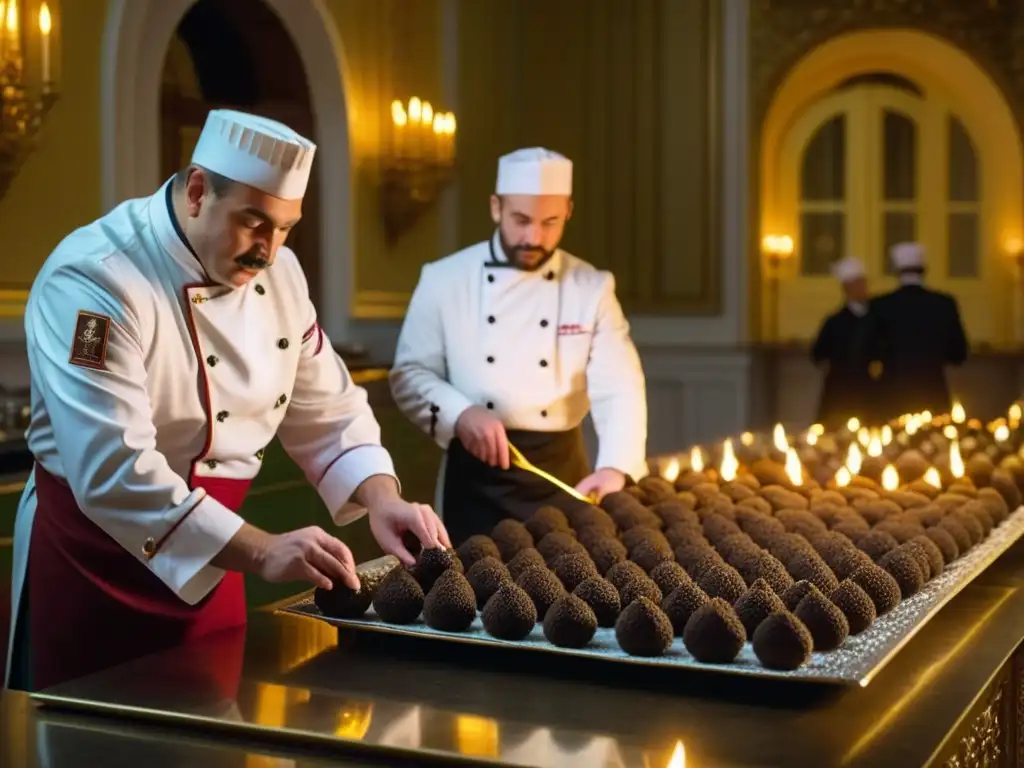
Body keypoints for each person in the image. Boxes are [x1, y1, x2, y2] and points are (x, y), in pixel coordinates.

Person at [4, 109, 448, 692]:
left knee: (217, 731)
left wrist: (382, 497)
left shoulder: (282, 275)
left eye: (285, 227)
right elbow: (111, 469)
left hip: (215, 558)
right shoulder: (94, 281)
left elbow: (327, 407)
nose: (269, 249)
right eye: (253, 222)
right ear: (196, 191)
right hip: (95, 561)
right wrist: (262, 551)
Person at [389, 147, 648, 545]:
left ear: (568, 212)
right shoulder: (443, 280)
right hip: (475, 479)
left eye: (550, 223)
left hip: (561, 473)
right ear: (496, 207)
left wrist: (615, 467)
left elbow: (621, 385)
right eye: (521, 220)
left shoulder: (592, 287)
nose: (534, 237)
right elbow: (409, 374)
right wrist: (461, 414)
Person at [866, 242, 969, 419]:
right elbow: (958, 354)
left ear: (896, 271)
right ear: (924, 269)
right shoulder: (944, 304)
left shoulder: (880, 306)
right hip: (933, 391)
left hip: (891, 394)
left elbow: (869, 350)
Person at [810, 257, 880, 428]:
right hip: (840, 393)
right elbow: (818, 355)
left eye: (863, 283)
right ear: (847, 288)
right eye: (858, 283)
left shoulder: (879, 317)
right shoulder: (835, 322)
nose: (863, 288)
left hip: (872, 392)